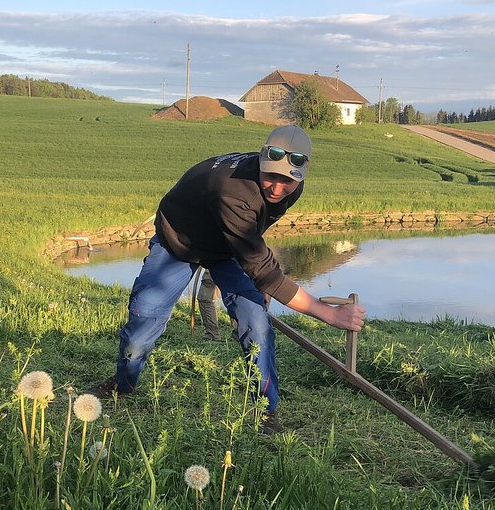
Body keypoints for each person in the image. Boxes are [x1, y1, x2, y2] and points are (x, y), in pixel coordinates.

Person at [89, 124, 366, 432]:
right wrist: (327, 312)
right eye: (271, 176)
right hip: (179, 241)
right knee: (144, 320)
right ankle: (124, 384)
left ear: (302, 174)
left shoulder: (293, 187)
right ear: (261, 161)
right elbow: (259, 255)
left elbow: (254, 232)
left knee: (257, 322)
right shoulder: (233, 190)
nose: (277, 189)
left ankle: (265, 412)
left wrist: (261, 276)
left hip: (227, 248)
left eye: (287, 180)